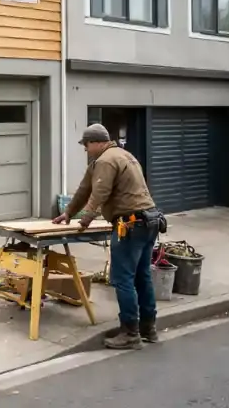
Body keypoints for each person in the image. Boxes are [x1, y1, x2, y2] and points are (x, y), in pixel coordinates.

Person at [53, 123, 166, 350]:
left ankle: (130, 333)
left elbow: (99, 193)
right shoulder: (121, 155)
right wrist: (68, 213)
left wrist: (84, 220)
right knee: (141, 276)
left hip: (130, 224)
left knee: (122, 279)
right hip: (149, 221)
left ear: (96, 142)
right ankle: (148, 328)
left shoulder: (105, 160)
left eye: (86, 145)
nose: (85, 150)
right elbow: (85, 189)